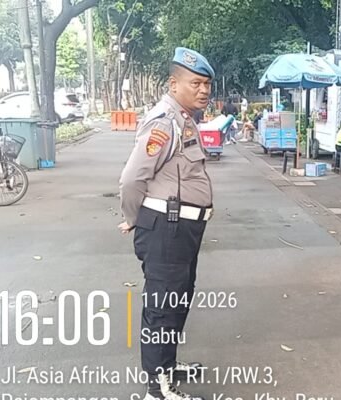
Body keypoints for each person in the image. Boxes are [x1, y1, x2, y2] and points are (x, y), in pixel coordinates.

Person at [117, 47, 215, 400]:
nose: (203, 90)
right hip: (166, 229)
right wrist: (133, 218)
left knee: (177, 301)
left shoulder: (184, 118)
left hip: (182, 230)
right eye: (195, 83)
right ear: (174, 84)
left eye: (207, 84)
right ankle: (157, 390)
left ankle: (167, 369)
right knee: (163, 309)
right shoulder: (164, 122)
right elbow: (132, 179)